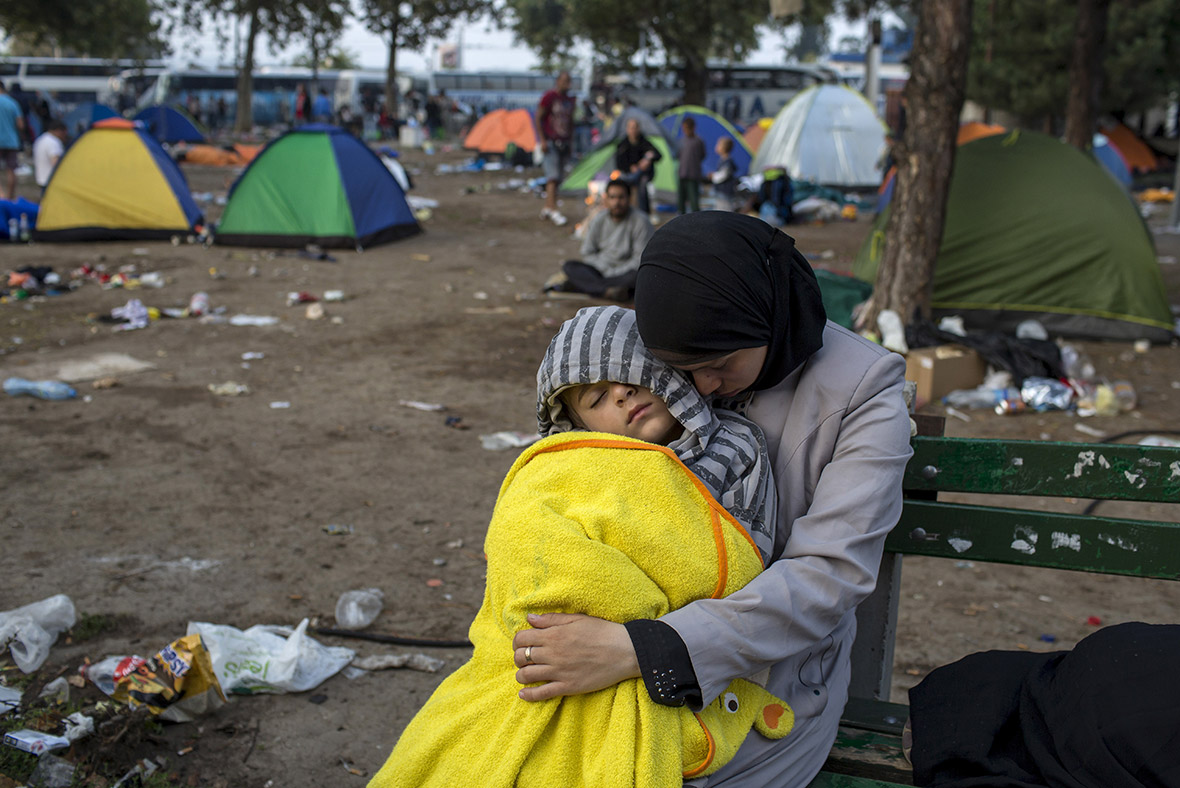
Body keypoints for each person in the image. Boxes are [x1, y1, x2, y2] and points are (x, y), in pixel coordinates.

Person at [511, 211, 914, 788]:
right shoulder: (666, 356)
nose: (698, 389)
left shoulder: (863, 394)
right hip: (618, 644)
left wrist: (645, 649)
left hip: (769, 680)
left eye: (719, 366)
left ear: (767, 319)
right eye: (681, 369)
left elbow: (829, 575)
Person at [368, 305, 787, 788]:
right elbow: (530, 542)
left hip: (670, 642)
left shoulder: (734, 447)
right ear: (579, 425)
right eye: (596, 397)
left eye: (631, 375)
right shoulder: (570, 469)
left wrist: (638, 630)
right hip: (561, 637)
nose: (622, 394)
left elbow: (744, 557)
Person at [544, 179, 654, 301]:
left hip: (625, 273)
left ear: (629, 198)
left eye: (621, 198)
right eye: (612, 197)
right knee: (570, 266)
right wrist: (604, 270)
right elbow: (587, 252)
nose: (616, 202)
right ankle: (607, 291)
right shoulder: (599, 219)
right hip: (600, 270)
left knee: (639, 276)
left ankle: (589, 287)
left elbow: (639, 260)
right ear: (606, 199)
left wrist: (614, 272)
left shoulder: (641, 221)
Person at [536, 71, 575, 227]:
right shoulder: (549, 97)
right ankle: (553, 209)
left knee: (558, 177)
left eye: (569, 81)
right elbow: (538, 118)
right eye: (564, 80)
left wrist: (571, 142)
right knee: (552, 177)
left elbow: (571, 122)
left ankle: (547, 206)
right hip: (551, 142)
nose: (567, 84)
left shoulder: (570, 100)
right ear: (558, 81)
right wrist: (543, 140)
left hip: (564, 142)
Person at [614, 116, 661, 214]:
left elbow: (658, 155)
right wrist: (630, 167)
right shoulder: (623, 144)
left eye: (635, 127)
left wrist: (647, 159)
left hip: (644, 174)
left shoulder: (644, 142)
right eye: (631, 127)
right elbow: (619, 163)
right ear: (627, 129)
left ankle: (644, 213)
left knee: (642, 185)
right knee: (619, 184)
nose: (633, 130)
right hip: (628, 174)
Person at [0, 80, 24, 200]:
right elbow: (20, 124)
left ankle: (1, 195)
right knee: (11, 170)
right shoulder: (12, 103)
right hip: (12, 141)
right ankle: (10, 197)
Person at [676, 117, 706, 214]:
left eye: (687, 128)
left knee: (694, 199)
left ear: (693, 128)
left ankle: (696, 216)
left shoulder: (698, 141)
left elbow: (702, 155)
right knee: (681, 199)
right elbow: (678, 155)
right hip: (682, 173)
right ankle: (681, 215)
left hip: (693, 174)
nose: (685, 131)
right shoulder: (682, 141)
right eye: (684, 128)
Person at [32, 120, 68, 189]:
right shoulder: (53, 142)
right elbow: (56, 163)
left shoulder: (40, 139)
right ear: (59, 131)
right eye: (64, 133)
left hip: (41, 179)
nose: (65, 135)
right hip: (50, 181)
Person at [710, 136, 739, 211]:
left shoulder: (727, 161)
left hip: (725, 191)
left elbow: (723, 175)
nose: (717, 146)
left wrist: (713, 176)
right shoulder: (722, 160)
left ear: (724, 148)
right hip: (720, 191)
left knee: (725, 209)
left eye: (719, 145)